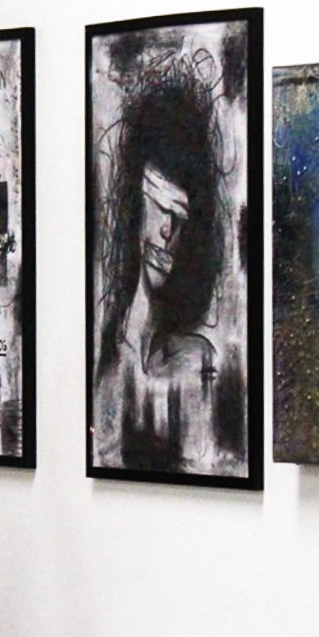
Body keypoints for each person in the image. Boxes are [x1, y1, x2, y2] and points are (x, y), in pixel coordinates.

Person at [92, 61, 225, 472]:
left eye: (180, 219)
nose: (167, 231)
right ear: (134, 207)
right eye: (157, 207)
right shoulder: (106, 364)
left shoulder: (196, 359)